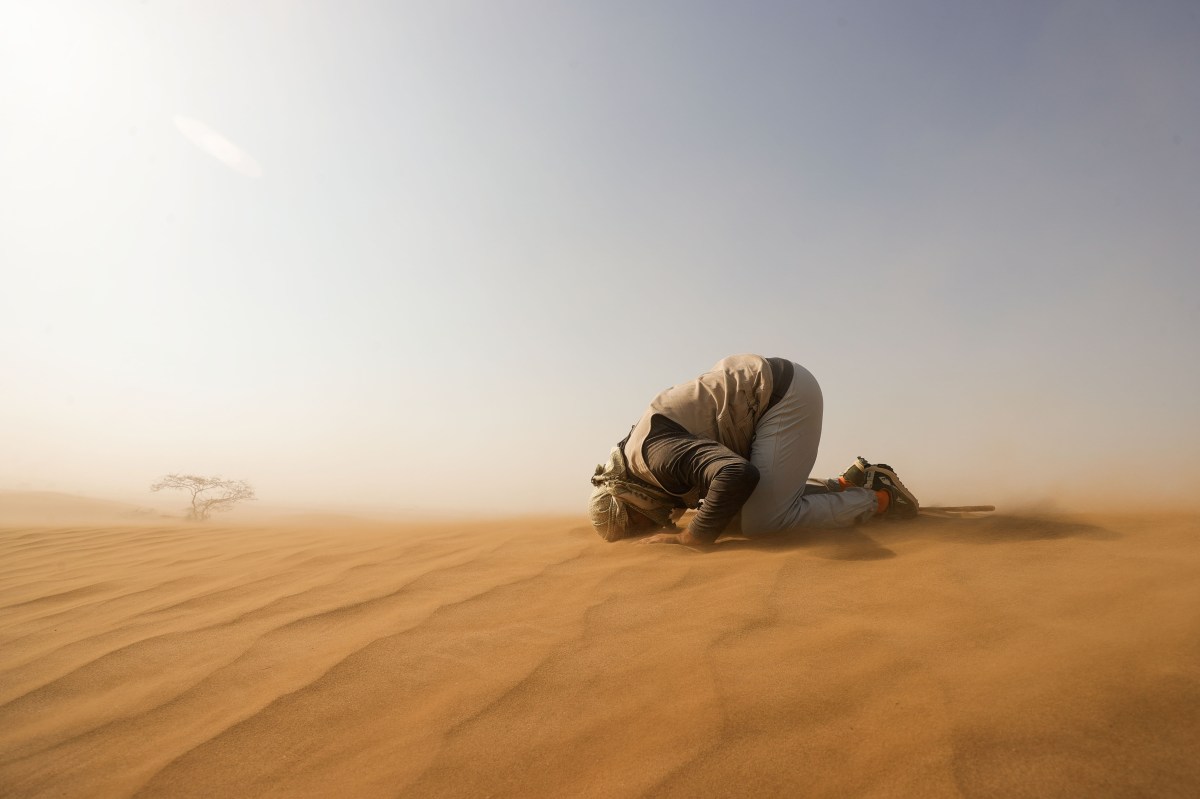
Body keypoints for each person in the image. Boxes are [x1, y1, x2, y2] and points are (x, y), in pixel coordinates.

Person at [588, 354, 919, 545]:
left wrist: (692, 538)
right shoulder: (640, 462)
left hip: (781, 396)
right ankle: (846, 485)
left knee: (763, 521)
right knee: (733, 514)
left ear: (627, 498)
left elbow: (736, 474)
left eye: (635, 523)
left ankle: (881, 499)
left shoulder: (658, 458)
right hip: (769, 397)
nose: (651, 527)